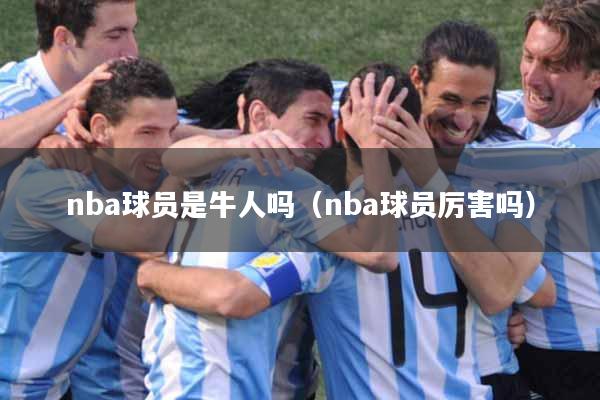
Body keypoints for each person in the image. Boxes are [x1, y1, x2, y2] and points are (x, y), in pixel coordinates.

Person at [139, 52, 554, 400]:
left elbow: (240, 294)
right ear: (417, 132)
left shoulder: (328, 235)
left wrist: (154, 274)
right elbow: (538, 290)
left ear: (341, 130)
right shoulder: (463, 217)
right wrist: (500, 319)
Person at [141, 58, 400, 400]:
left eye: (329, 124)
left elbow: (172, 154)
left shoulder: (216, 169)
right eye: (313, 120)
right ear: (260, 116)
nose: (324, 140)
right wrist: (374, 152)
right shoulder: (280, 181)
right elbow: (380, 253)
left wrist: (152, 274)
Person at [0, 57, 182, 400]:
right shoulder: (51, 180)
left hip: (51, 386)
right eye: (148, 133)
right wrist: (185, 168)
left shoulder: (128, 173)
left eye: (170, 132)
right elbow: (145, 239)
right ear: (100, 129)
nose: (165, 148)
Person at [444, 2, 600, 398]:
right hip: (527, 346)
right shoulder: (510, 111)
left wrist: (430, 156)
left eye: (554, 65)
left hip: (591, 354)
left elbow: (559, 168)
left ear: (595, 76)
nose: (532, 75)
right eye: (529, 56)